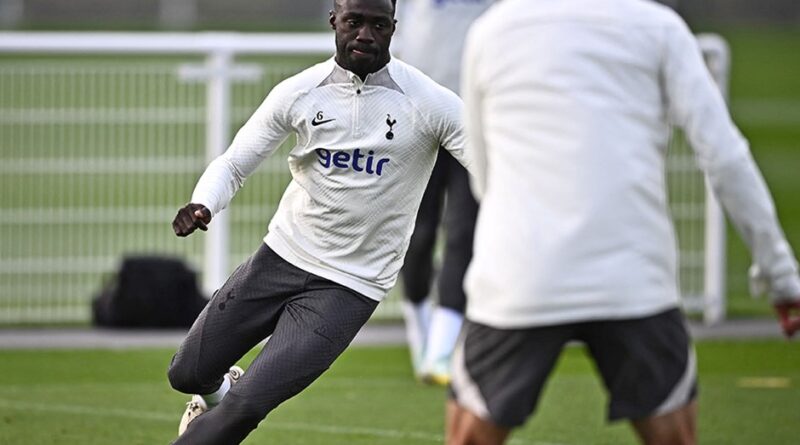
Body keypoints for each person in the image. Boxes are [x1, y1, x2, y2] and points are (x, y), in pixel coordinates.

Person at [449, 0, 800, 444]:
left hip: (522, 277)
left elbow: (484, 175)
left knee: (468, 436)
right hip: (633, 280)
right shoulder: (658, 27)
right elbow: (726, 157)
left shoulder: (492, 30)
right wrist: (780, 274)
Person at [167, 0, 470, 443]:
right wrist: (203, 204)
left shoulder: (429, 102)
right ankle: (217, 397)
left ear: (393, 28)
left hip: (350, 285)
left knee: (245, 408)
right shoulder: (301, 91)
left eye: (378, 24)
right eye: (354, 22)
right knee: (187, 373)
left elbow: (495, 166)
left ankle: (222, 414)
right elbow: (233, 163)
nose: (365, 34)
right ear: (334, 21)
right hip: (280, 258)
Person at [392, 0, 490, 385]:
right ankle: (420, 325)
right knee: (417, 236)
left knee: (463, 233)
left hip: (474, 122)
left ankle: (442, 349)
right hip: (421, 120)